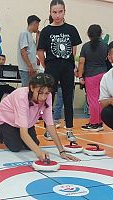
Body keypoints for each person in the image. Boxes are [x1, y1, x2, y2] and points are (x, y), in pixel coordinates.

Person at [0, 73, 80, 161]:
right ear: (32, 88)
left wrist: (62, 152)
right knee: (16, 147)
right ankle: (0, 131)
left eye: (47, 93)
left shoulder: (48, 97)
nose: (43, 97)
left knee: (32, 145)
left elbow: (50, 125)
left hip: (26, 122)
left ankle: (15, 134)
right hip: (8, 120)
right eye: (40, 93)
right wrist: (39, 153)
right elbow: (24, 134)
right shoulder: (21, 96)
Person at [37, 0, 82, 142]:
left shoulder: (71, 29)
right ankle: (48, 130)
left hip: (67, 67)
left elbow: (74, 49)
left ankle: (69, 129)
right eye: (54, 12)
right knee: (48, 98)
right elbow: (40, 51)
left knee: (69, 98)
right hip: (51, 67)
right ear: (50, 13)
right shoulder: (46, 31)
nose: (57, 15)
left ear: (64, 11)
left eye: (60, 12)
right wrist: (46, 65)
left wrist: (70, 62)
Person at [77, 24, 109, 132]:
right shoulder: (105, 46)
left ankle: (94, 123)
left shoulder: (86, 47)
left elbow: (81, 62)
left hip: (91, 75)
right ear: (101, 34)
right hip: (104, 74)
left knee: (92, 100)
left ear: (88, 34)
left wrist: (80, 76)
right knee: (100, 99)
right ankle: (100, 122)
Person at [17, 15, 41, 86]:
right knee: (26, 90)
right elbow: (23, 51)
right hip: (26, 69)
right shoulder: (24, 34)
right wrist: (30, 66)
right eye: (37, 25)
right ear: (34, 23)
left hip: (31, 68)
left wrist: (38, 38)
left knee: (31, 89)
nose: (38, 27)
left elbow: (31, 51)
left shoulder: (30, 35)